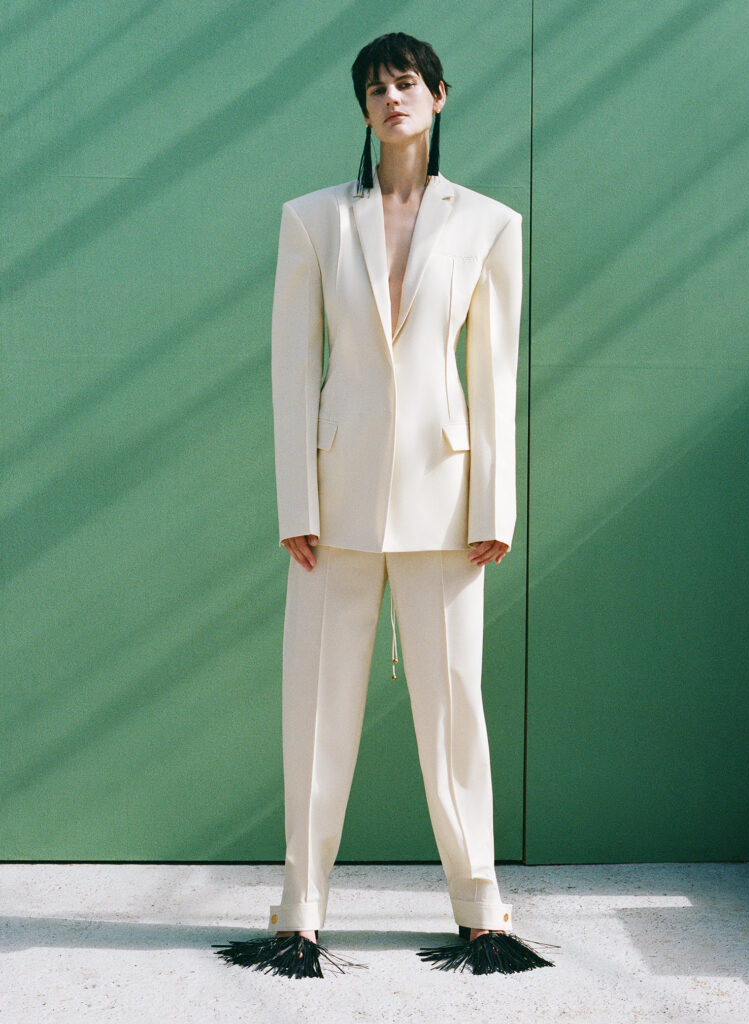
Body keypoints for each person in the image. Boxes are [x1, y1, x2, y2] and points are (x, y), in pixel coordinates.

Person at [214, 31, 554, 979]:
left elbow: (493, 376)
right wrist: (296, 497)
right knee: (317, 711)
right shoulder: (313, 219)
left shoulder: (489, 224)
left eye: (406, 82)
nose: (391, 97)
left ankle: (482, 911)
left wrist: (495, 505)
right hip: (335, 501)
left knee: (454, 710)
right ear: (363, 109)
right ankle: (300, 912)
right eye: (375, 88)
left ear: (439, 95)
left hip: (448, 501)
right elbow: (292, 366)